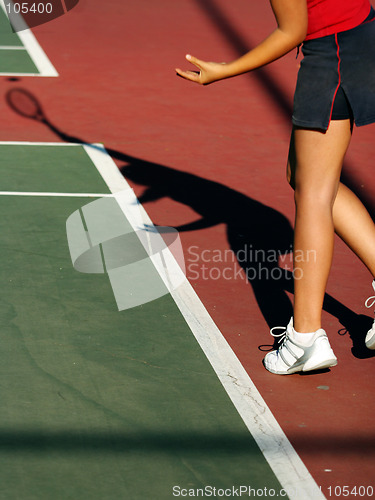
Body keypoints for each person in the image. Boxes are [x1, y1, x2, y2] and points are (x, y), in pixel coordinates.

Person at [176, 0, 375, 374]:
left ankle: (305, 338)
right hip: (361, 35)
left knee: (313, 193)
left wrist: (224, 70)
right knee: (303, 176)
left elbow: (291, 30)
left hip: (332, 55)